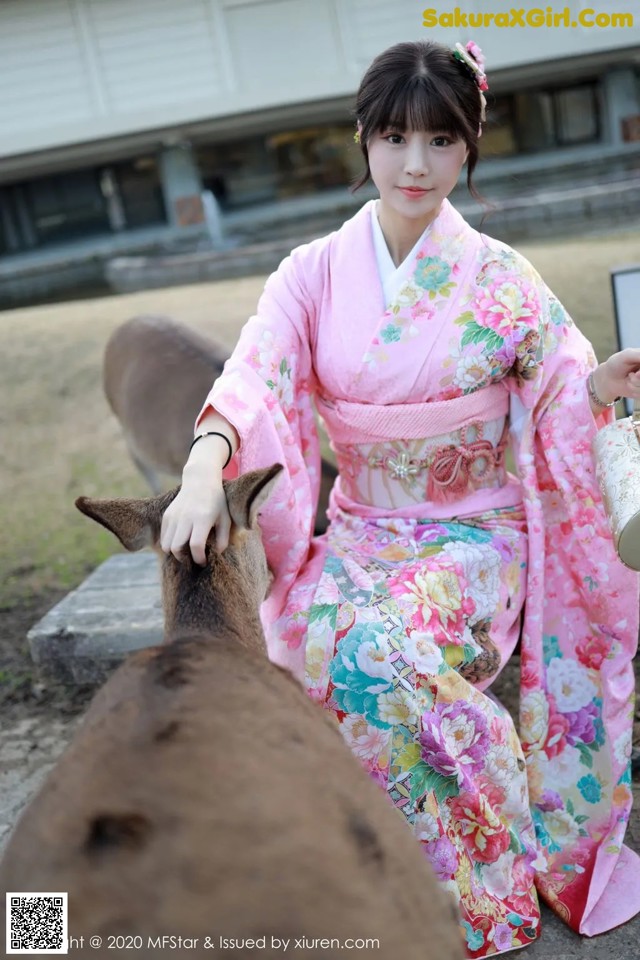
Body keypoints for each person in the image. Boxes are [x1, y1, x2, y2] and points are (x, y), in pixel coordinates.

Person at [160, 40, 640, 958]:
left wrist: (596, 389)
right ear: (362, 142)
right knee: (313, 640)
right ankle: (416, 853)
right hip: (366, 528)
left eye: (440, 142)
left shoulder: (501, 279)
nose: (415, 165)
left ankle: (485, 867)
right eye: (393, 138)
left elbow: (559, 394)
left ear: (469, 151)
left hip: (473, 536)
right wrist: (199, 468)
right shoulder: (310, 274)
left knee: (371, 651)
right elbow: (254, 375)